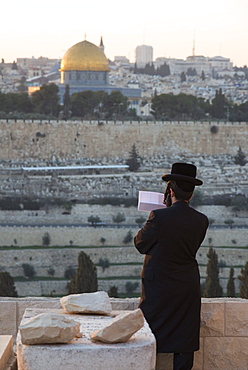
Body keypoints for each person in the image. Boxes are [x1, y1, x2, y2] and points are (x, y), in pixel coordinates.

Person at [134, 163, 209, 370]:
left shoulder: (158, 217)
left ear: (170, 191)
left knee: (148, 336)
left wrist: (159, 213)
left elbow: (140, 244)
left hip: (158, 288)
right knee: (184, 340)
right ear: (191, 195)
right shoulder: (202, 220)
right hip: (187, 286)